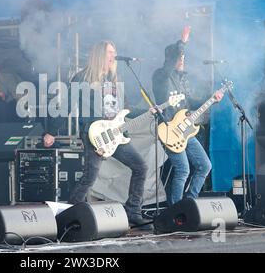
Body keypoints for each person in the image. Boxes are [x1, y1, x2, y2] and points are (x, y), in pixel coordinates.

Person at [43, 40, 150, 227]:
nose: (113, 56)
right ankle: (68, 217)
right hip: (93, 134)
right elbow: (67, 105)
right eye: (110, 52)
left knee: (140, 167)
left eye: (114, 52)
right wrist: (51, 132)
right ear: (100, 54)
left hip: (114, 133)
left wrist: (148, 110)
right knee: (89, 178)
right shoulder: (82, 78)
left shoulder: (113, 79)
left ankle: (133, 211)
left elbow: (122, 110)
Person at [152, 26, 224, 205]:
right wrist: (182, 42)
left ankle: (189, 202)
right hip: (169, 129)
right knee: (183, 169)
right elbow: (169, 65)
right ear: (172, 58)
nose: (182, 59)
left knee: (205, 165)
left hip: (185, 131)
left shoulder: (182, 79)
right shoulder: (161, 76)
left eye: (183, 56)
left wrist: (212, 99)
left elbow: (191, 101)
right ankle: (175, 208)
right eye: (179, 56)